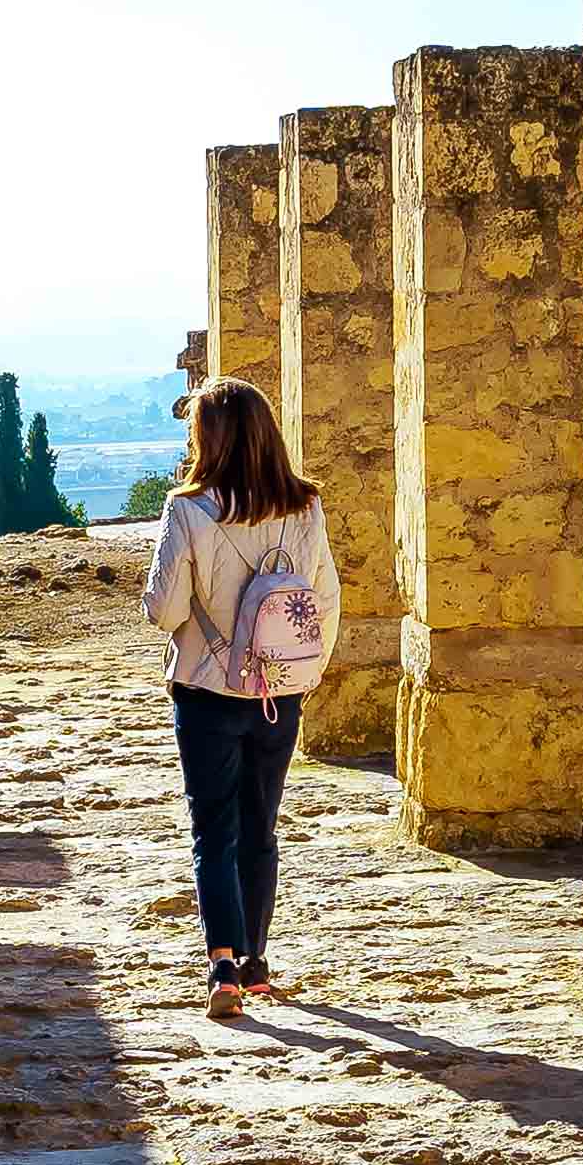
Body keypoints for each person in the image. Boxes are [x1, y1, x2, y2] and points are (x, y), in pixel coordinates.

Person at [139, 378, 331, 1018]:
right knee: (261, 827)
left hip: (206, 688)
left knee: (213, 829)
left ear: (208, 438)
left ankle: (221, 963)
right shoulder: (305, 507)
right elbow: (325, 601)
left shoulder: (187, 510)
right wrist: (304, 673)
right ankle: (256, 962)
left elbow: (164, 611)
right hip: (279, 690)